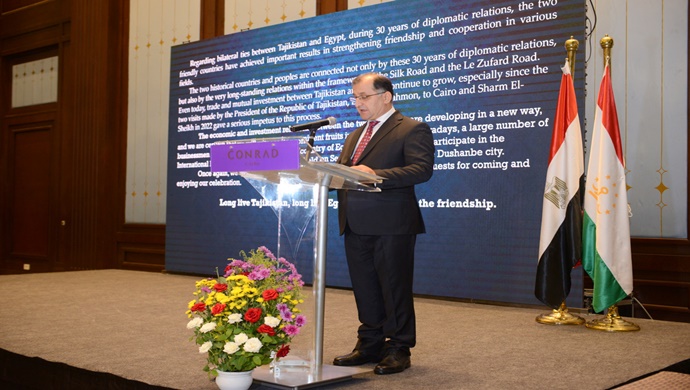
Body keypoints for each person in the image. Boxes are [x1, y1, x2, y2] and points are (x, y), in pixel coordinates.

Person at [333, 72, 434, 375]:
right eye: (355, 98)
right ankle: (370, 343)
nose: (357, 103)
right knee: (365, 287)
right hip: (355, 222)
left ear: (386, 96)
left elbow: (421, 169)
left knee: (394, 288)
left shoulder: (412, 129)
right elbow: (343, 173)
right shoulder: (355, 135)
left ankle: (399, 347)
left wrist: (375, 175)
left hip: (393, 223)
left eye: (364, 97)